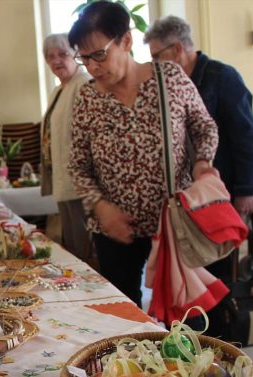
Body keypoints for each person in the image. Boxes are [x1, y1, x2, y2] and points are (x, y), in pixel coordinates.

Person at [68, 1, 218, 307]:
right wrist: (101, 207)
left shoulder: (170, 79)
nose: (93, 67)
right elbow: (78, 166)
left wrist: (203, 164)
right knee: (125, 315)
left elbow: (205, 127)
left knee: (186, 314)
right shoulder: (86, 98)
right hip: (115, 231)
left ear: (126, 40)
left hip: (175, 224)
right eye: (84, 59)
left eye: (99, 54)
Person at [144, 16, 253, 218]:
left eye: (156, 57)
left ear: (177, 49)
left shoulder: (222, 76)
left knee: (219, 248)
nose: (153, 65)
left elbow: (245, 135)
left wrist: (245, 189)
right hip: (190, 191)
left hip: (223, 185)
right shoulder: (167, 86)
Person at [40, 33, 91, 260]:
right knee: (72, 245)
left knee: (85, 246)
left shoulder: (84, 84)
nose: (57, 61)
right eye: (51, 57)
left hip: (79, 182)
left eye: (62, 54)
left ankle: (95, 291)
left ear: (76, 55)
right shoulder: (58, 90)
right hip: (63, 178)